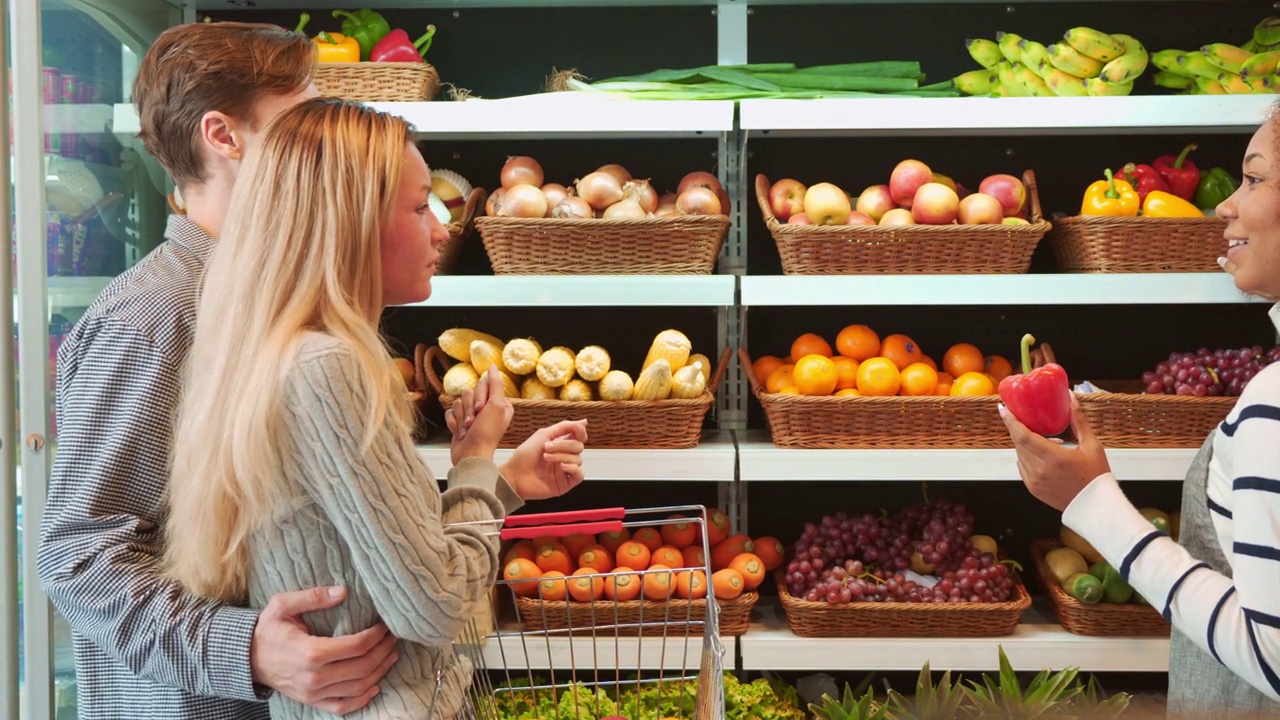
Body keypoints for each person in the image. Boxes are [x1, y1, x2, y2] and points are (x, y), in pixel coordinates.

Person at [161, 97, 587, 720]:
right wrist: (472, 464)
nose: (442, 228)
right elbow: (437, 603)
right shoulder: (327, 368)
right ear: (348, 223)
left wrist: (501, 482)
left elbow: (367, 552)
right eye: (419, 208)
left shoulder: (269, 348)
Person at [37, 22, 401, 719]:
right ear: (223, 137)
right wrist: (248, 651)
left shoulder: (262, 297)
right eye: (300, 122)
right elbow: (79, 558)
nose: (322, 145)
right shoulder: (153, 318)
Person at [1002, 102, 1280, 719]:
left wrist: (1092, 503)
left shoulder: (1272, 403)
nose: (1224, 205)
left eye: (1255, 179)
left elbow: (1272, 656)